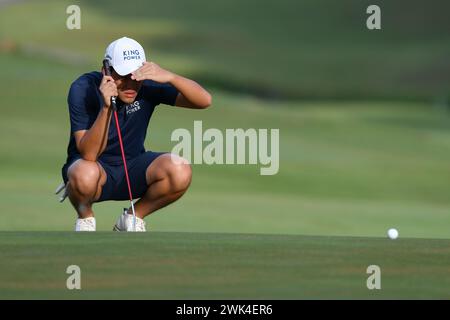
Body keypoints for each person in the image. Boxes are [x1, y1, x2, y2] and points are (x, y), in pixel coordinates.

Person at [59, 37, 211, 232]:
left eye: (135, 76)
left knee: (180, 169)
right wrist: (106, 108)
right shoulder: (84, 88)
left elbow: (204, 100)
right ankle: (86, 218)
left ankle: (132, 218)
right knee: (84, 173)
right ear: (106, 70)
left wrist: (170, 77)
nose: (131, 85)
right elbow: (89, 155)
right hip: (94, 172)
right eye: (123, 76)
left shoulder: (146, 85)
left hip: (133, 167)